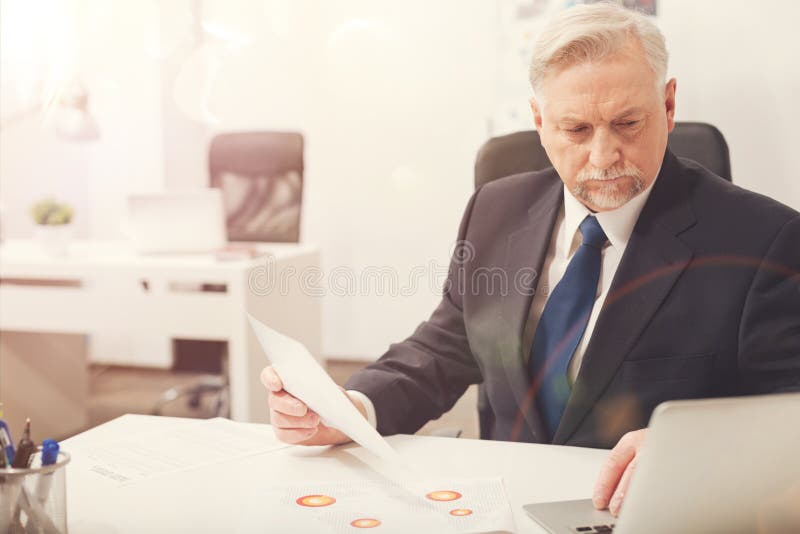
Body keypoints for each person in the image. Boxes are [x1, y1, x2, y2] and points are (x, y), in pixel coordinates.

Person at [261, 2, 800, 517]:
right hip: (504, 505)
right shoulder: (496, 208)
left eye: (629, 124)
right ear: (540, 122)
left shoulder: (765, 239)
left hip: (654, 511)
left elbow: (789, 411)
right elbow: (449, 345)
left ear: (668, 105)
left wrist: (693, 450)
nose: (604, 155)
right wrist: (354, 410)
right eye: (577, 130)